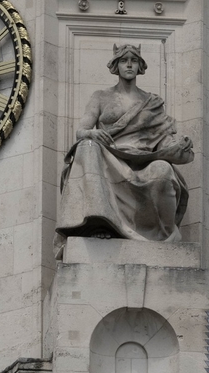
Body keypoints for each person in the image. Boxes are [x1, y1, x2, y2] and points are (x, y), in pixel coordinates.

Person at [55, 44, 193, 253]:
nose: (129, 64)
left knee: (163, 170)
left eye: (134, 60)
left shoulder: (151, 102)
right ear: (115, 66)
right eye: (123, 60)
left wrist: (179, 146)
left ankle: (166, 235)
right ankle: (101, 222)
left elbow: (162, 141)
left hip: (143, 160)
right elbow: (81, 130)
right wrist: (92, 133)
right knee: (87, 146)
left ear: (140, 66)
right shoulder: (100, 97)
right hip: (110, 157)